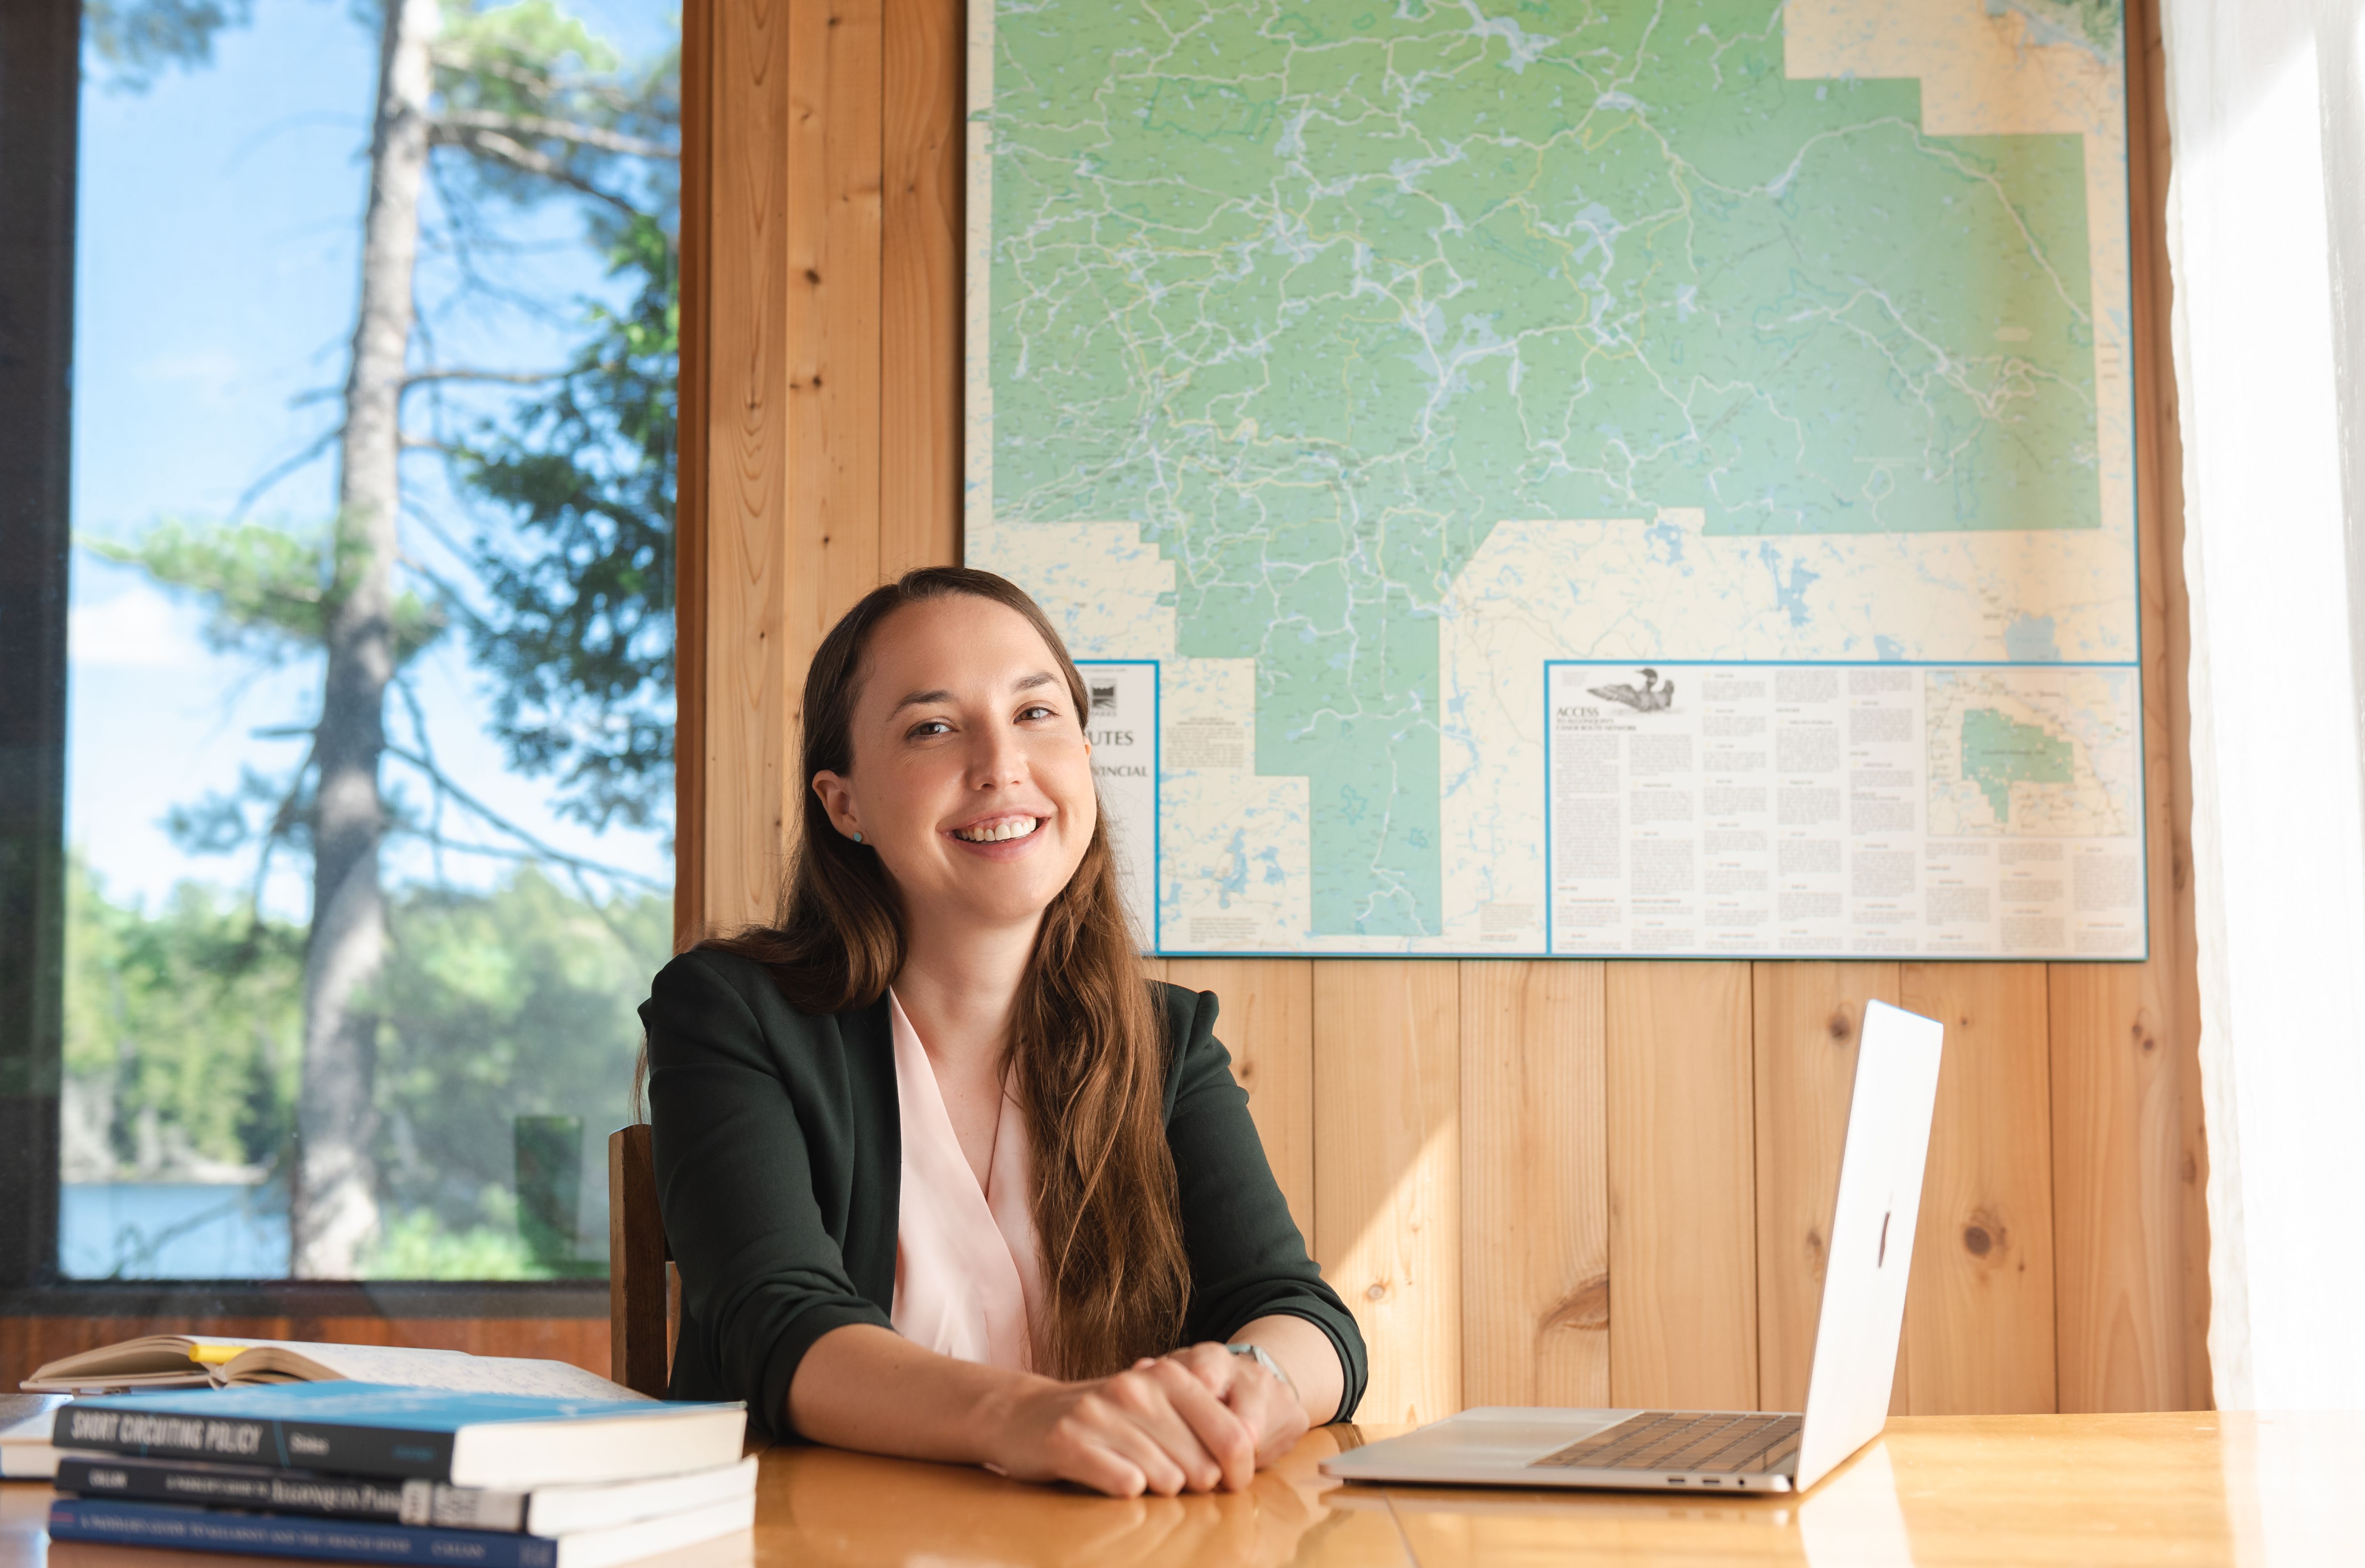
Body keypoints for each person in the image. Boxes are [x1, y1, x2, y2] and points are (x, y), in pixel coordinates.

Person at [640, 567, 1365, 1498]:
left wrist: (1257, 1383)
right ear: (844, 803)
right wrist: (1033, 1415)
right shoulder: (731, 1011)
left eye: (1036, 714)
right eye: (934, 727)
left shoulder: (1168, 1039)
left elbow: (1302, 1313)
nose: (1001, 765)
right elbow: (772, 1326)